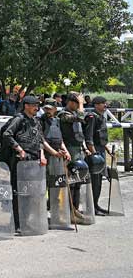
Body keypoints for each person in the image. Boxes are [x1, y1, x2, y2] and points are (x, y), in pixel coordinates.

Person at [1, 95, 48, 232]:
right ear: (26, 105)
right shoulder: (19, 119)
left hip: (33, 161)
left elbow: (39, 140)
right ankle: (17, 223)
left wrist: (42, 155)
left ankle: (27, 220)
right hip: (19, 161)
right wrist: (19, 149)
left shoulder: (36, 121)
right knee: (18, 192)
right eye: (34, 105)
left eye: (37, 105)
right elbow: (7, 134)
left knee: (31, 192)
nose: (36, 108)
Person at [58, 93, 90, 223]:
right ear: (71, 102)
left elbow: (79, 130)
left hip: (77, 149)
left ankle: (75, 209)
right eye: (77, 103)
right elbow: (80, 117)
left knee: (78, 181)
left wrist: (84, 147)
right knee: (70, 182)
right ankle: (69, 211)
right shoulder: (63, 114)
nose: (78, 106)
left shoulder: (74, 113)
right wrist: (81, 104)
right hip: (69, 150)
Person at [85, 96, 111, 216]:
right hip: (95, 152)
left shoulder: (102, 117)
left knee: (100, 180)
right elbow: (89, 138)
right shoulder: (92, 117)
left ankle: (96, 204)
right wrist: (94, 154)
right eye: (102, 103)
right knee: (94, 181)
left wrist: (108, 150)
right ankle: (92, 206)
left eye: (105, 103)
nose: (105, 105)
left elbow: (102, 138)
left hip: (101, 150)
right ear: (96, 105)